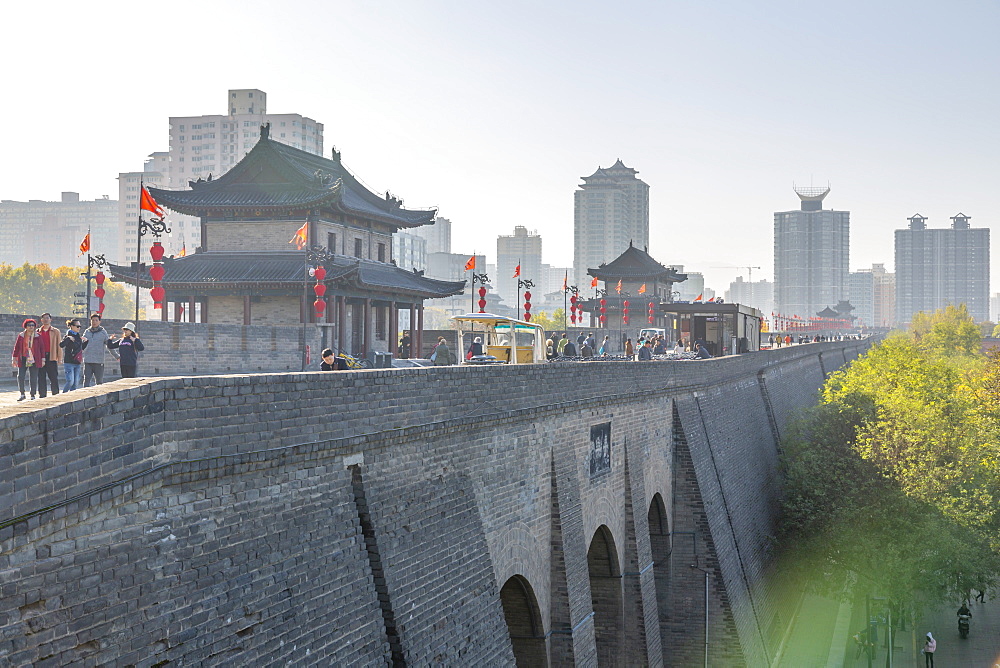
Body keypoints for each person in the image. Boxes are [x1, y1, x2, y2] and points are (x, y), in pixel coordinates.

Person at [11, 319, 43, 401]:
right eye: (29, 325)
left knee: (33, 377)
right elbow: (17, 347)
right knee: (20, 376)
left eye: (33, 325)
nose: (31, 327)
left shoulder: (38, 336)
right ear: (25, 326)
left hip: (34, 358)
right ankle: (22, 394)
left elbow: (42, 348)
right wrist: (14, 357)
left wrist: (43, 359)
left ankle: (32, 395)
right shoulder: (21, 335)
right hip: (23, 358)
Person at [81, 313, 113, 386]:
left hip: (99, 361)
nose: (94, 322)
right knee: (86, 380)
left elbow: (109, 345)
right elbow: (81, 345)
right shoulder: (87, 332)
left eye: (96, 320)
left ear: (99, 322)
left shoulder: (103, 332)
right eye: (92, 320)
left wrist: (117, 356)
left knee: (99, 382)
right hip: (88, 360)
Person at [36, 312, 62, 397]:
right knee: (41, 377)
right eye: (44, 318)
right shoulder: (37, 331)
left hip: (51, 356)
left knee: (53, 377)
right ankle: (42, 395)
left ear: (51, 319)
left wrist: (59, 358)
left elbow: (59, 345)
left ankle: (55, 394)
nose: (46, 319)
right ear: (41, 320)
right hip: (40, 357)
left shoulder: (55, 331)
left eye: (47, 318)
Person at [59, 318, 87, 392]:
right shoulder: (67, 335)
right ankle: (63, 395)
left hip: (77, 362)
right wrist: (68, 338)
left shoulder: (78, 336)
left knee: (75, 383)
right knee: (70, 381)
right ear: (71, 326)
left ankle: (71, 398)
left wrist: (86, 342)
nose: (79, 328)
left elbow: (81, 349)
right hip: (69, 362)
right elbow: (61, 345)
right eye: (77, 326)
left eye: (80, 326)